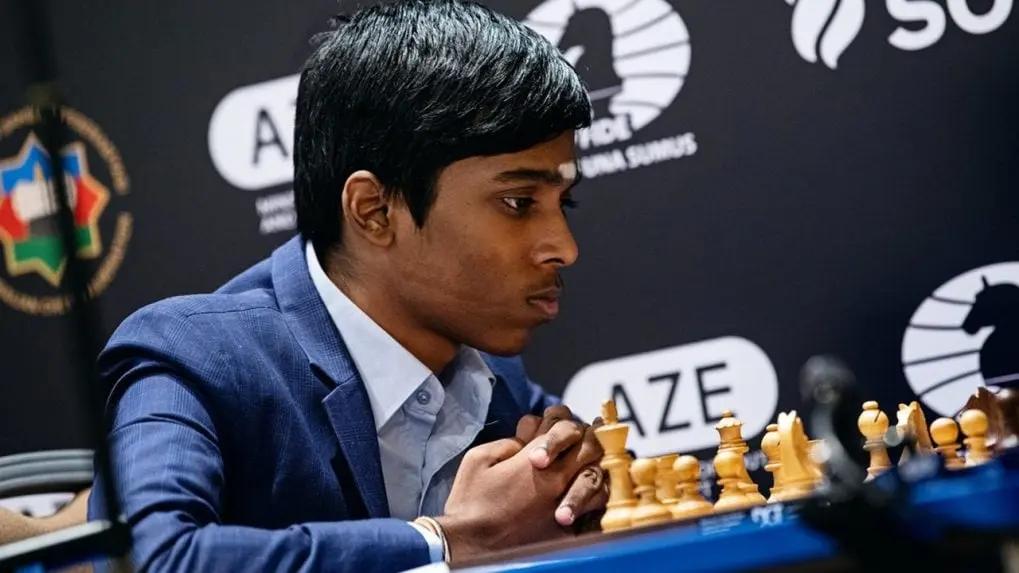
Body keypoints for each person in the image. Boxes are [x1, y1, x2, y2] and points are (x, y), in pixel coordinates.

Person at [89, 1, 607, 571]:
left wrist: (579, 479)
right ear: (374, 211)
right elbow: (146, 561)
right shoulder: (195, 357)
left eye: (564, 203)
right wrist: (446, 541)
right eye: (518, 202)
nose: (565, 248)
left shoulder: (495, 372)